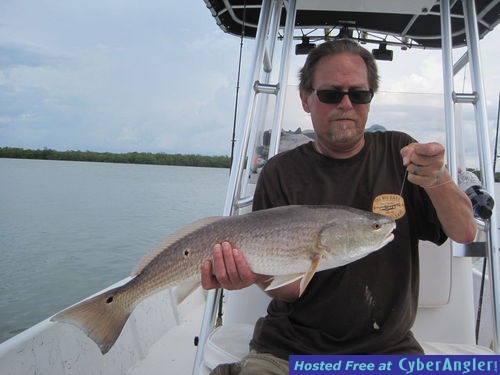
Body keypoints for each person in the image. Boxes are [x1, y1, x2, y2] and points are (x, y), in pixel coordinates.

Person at [201, 39, 477, 375]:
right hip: (288, 351)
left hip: (387, 351)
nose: (346, 104)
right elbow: (289, 291)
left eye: (359, 94)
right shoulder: (280, 172)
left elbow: (464, 231)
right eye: (331, 94)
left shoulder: (401, 152)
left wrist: (438, 179)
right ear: (305, 99)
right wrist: (251, 272)